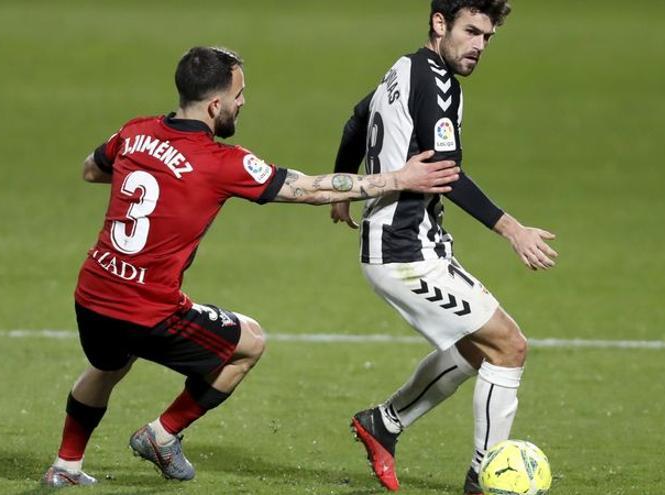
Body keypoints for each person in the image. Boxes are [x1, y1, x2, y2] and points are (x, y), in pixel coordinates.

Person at [41, 45, 459, 488]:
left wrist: (147, 173)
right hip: (149, 310)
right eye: (239, 95)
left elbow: (92, 170)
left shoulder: (134, 132)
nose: (243, 102)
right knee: (249, 343)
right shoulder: (224, 162)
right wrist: (399, 179)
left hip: (92, 295)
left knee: (109, 366)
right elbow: (309, 188)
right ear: (215, 104)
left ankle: (65, 467)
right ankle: (162, 435)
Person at [329, 1, 558, 493]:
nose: (478, 46)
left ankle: (384, 423)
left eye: (487, 37)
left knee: (477, 351)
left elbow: (356, 119)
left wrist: (345, 195)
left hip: (414, 246)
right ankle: (485, 479)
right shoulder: (434, 84)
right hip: (404, 252)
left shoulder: (402, 68)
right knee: (509, 348)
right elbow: (447, 175)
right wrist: (513, 230)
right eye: (471, 31)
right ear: (440, 24)